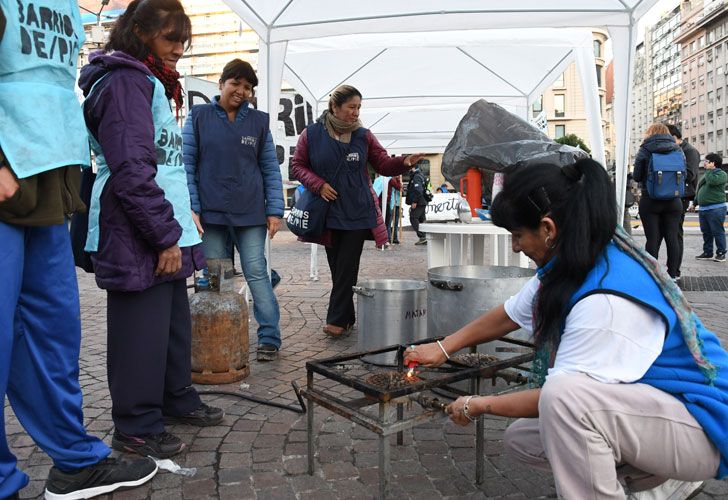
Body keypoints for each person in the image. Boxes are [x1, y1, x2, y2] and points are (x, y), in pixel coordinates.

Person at [405, 158, 728, 499]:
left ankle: (662, 480)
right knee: (524, 439)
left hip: (703, 429)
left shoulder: (604, 301)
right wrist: (443, 348)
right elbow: (510, 314)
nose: (515, 247)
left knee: (564, 402)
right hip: (656, 411)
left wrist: (478, 404)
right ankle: (654, 481)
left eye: (517, 236)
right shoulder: (574, 259)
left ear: (548, 228)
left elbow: (561, 401)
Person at [0, 1, 158, 498]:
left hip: (47, 169)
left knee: (54, 329)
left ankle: (74, 460)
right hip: (7, 168)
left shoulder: (68, 6)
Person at [79, 0, 223, 459]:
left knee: (170, 324)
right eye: (169, 38)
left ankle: (173, 397)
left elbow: (164, 163)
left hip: (163, 220)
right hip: (135, 225)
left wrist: (181, 220)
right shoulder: (123, 82)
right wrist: (163, 234)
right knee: (140, 329)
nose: (179, 48)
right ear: (139, 32)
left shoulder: (148, 80)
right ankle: (137, 424)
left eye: (183, 39)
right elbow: (131, 168)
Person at [291, 85, 425, 337]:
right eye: (351, 107)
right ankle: (349, 316)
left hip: (357, 212)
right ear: (334, 107)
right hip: (327, 213)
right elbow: (297, 166)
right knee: (337, 268)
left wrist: (404, 162)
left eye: (358, 108)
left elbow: (383, 163)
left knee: (347, 266)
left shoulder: (363, 135)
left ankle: (337, 320)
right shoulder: (311, 134)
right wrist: (318, 185)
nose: (356, 113)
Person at [183, 58, 285, 361]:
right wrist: (193, 207)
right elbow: (187, 164)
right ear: (221, 84)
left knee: (257, 272)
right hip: (211, 214)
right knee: (216, 276)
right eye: (235, 84)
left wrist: (275, 211)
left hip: (250, 212)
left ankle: (269, 336)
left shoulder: (258, 122)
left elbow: (269, 167)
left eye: (247, 87)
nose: (241, 91)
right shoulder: (198, 116)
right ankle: (218, 336)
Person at [632, 123, 685, 280]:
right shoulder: (678, 149)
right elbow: (683, 175)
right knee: (672, 237)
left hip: (650, 199)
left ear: (650, 133)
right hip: (674, 200)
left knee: (653, 239)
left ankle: (652, 275)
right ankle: (673, 274)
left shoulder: (645, 149)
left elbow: (636, 176)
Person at [667, 124, 700, 277]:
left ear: (674, 137)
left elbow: (690, 174)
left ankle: (675, 270)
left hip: (682, 196)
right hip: (669, 195)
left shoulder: (690, 151)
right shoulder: (672, 150)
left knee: (675, 234)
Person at [694, 153, 727, 263]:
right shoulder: (706, 175)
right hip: (703, 209)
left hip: (716, 208)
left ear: (714, 163)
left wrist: (709, 170)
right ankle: (708, 252)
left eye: (707, 161)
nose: (705, 163)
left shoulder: (721, 174)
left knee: (717, 231)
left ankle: (721, 253)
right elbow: (700, 189)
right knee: (706, 232)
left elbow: (712, 182)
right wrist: (695, 203)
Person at [406, 163, 428, 245]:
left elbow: (418, 190)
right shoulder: (420, 175)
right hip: (422, 201)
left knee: (413, 218)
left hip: (419, 201)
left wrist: (415, 201)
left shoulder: (416, 176)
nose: (408, 170)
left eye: (410, 168)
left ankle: (422, 237)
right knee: (421, 219)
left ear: (413, 168)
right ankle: (425, 237)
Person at [388, 176, 403, 244]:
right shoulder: (391, 179)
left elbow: (401, 189)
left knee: (396, 222)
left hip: (397, 203)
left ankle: (395, 237)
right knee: (389, 222)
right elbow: (398, 187)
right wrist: (398, 181)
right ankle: (388, 238)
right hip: (392, 203)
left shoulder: (398, 180)